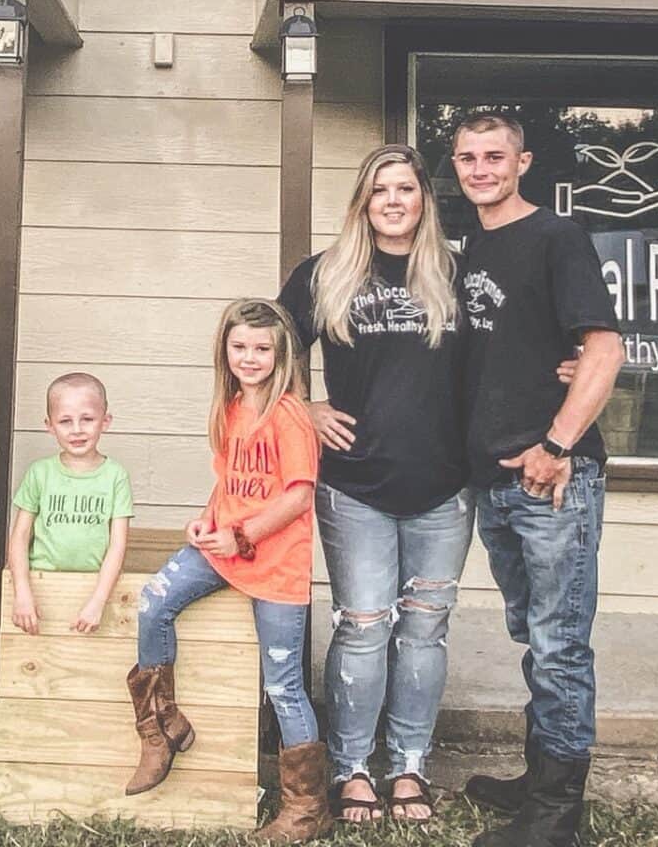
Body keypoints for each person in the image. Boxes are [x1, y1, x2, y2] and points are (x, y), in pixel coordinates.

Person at [276, 143, 468, 825]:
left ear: (424, 200)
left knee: (424, 629)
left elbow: (506, 358)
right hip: (355, 485)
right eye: (380, 189)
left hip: (444, 485)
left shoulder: (456, 273)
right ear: (362, 200)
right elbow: (264, 350)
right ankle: (352, 768)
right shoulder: (324, 274)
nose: (393, 201)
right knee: (361, 626)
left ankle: (410, 766)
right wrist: (304, 406)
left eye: (406, 189)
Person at [451, 113, 625, 847]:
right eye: (467, 157)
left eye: (495, 156)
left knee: (560, 644)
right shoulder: (468, 250)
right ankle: (539, 776)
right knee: (535, 633)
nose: (481, 168)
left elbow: (605, 348)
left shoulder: (557, 236)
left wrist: (556, 444)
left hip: (552, 478)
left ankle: (556, 816)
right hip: (493, 479)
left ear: (522, 162)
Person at [126, 299, 330, 844]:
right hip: (223, 548)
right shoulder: (231, 407)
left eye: (262, 348)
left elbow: (298, 497)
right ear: (225, 350)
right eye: (240, 347)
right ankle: (160, 728)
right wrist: (207, 520)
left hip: (275, 563)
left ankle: (306, 809)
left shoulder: (289, 415)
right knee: (154, 600)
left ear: (281, 354)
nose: (250, 357)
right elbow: (230, 482)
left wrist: (242, 535)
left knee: (283, 685)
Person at [7, 372, 134, 635]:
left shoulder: (115, 476)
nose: (77, 429)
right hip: (41, 585)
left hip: (95, 586)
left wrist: (99, 601)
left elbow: (117, 544)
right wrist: (22, 591)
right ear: (50, 425)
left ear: (105, 421)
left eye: (87, 419)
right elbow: (20, 536)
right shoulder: (40, 473)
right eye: (65, 421)